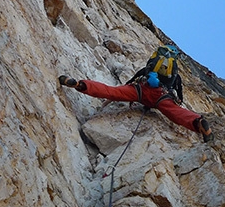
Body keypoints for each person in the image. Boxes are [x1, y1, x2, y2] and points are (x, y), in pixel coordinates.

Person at [59, 44, 213, 142]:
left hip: (140, 89)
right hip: (161, 96)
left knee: (111, 91)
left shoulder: (148, 67)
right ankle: (198, 123)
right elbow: (179, 98)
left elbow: (126, 85)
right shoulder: (176, 76)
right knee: (177, 113)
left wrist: (110, 99)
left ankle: (80, 84)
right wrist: (176, 99)